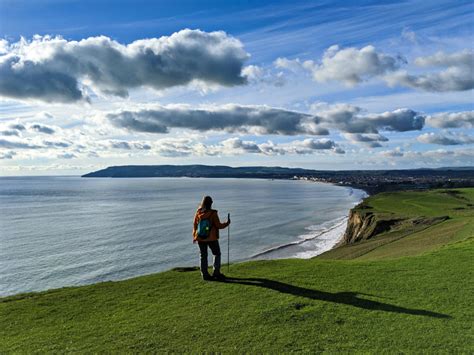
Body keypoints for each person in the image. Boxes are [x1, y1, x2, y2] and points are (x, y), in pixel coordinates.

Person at [193, 195, 230, 281]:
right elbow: (219, 225)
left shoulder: (198, 212)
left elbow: (195, 225)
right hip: (211, 238)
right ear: (211, 203)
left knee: (203, 256)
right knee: (217, 254)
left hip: (200, 238)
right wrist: (227, 223)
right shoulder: (213, 213)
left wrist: (195, 236)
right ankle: (216, 273)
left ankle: (205, 275)